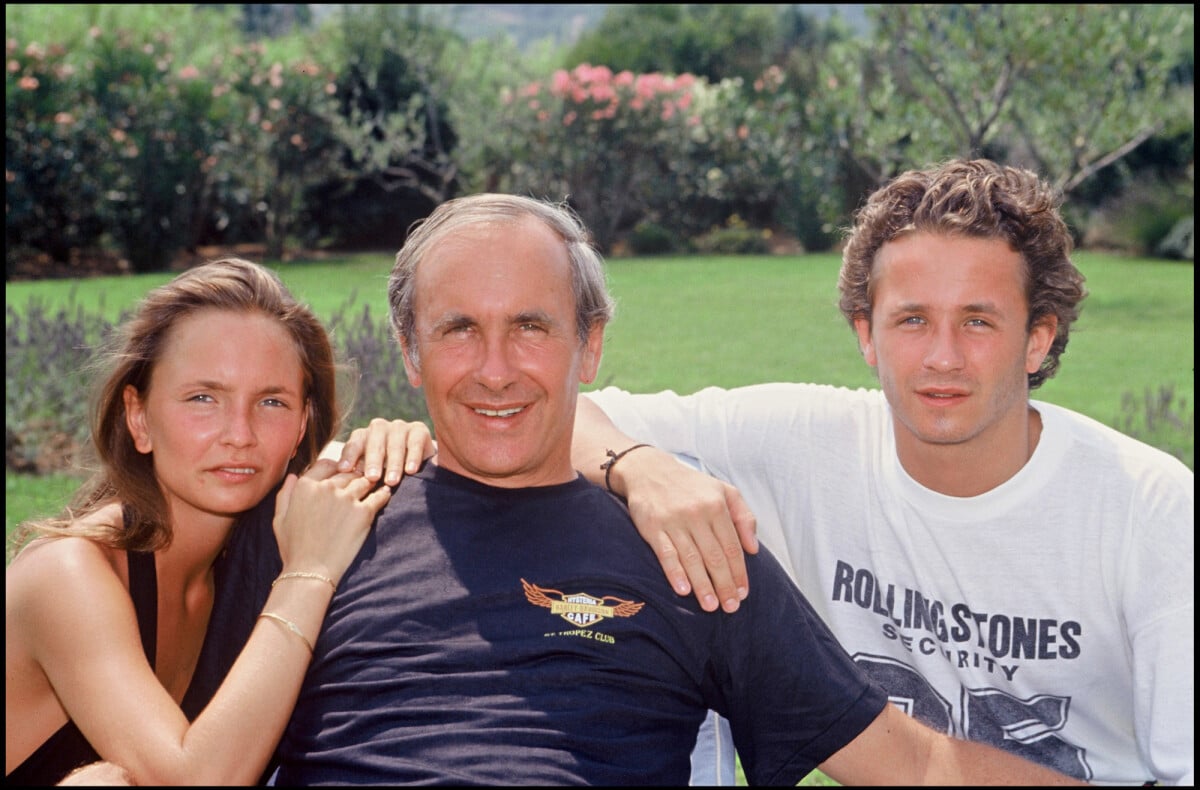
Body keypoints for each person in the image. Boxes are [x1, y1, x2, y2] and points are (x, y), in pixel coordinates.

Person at [205, 192, 1083, 785]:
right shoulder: (323, 519)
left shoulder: (686, 546)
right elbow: (177, 743)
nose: (497, 370)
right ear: (410, 352)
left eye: (533, 328)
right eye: (460, 330)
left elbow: (912, 762)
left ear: (590, 347)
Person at [570, 158, 1195, 785]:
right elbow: (562, 417)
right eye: (912, 320)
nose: (942, 357)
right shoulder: (807, 443)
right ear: (866, 334)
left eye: (977, 321)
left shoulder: (1150, 510)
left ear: (1037, 339)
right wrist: (641, 468)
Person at [5, 258, 396, 785]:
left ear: (303, 425)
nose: (240, 433)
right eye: (203, 398)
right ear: (138, 417)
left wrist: (392, 445)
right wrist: (309, 572)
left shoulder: (243, 558)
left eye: (272, 401)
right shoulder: (66, 575)